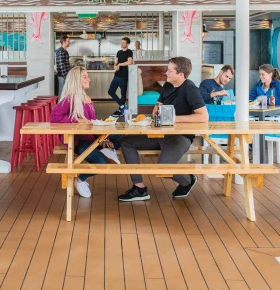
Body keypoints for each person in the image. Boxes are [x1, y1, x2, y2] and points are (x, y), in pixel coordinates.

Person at [118, 57, 208, 202]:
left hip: (180, 137)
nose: (166, 73)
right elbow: (158, 105)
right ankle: (139, 188)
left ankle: (187, 180)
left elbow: (203, 116)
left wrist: (174, 119)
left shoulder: (190, 89)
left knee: (162, 169)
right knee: (127, 142)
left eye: (170, 71)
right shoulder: (167, 85)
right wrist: (156, 109)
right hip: (161, 134)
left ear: (180, 74)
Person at [50, 67, 120, 198]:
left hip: (91, 138)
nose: (89, 79)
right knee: (102, 164)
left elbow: (93, 122)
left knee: (121, 136)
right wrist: (76, 119)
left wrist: (104, 138)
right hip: (78, 141)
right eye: (85, 77)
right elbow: (54, 118)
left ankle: (107, 149)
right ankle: (80, 179)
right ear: (76, 80)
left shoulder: (87, 98)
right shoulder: (69, 99)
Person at [109, 36, 134, 117]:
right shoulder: (119, 52)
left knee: (123, 95)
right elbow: (116, 62)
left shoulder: (129, 52)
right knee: (110, 92)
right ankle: (123, 106)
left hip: (124, 76)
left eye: (123, 43)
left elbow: (129, 62)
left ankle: (121, 110)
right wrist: (115, 66)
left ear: (127, 44)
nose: (122, 44)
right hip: (117, 75)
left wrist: (120, 64)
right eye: (121, 42)